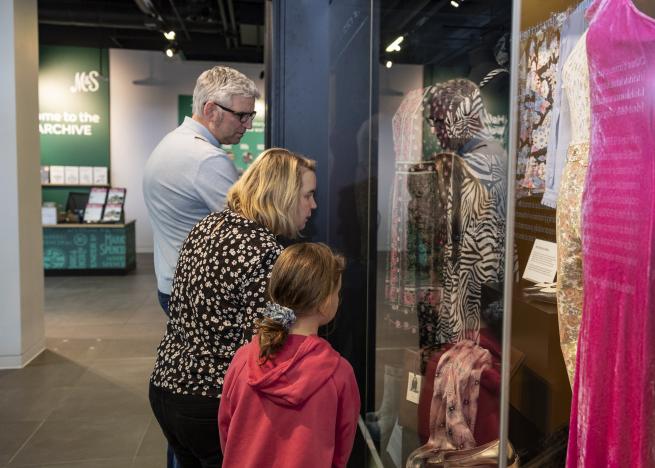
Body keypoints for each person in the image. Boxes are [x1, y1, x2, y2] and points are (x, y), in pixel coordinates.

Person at [149, 148, 317, 468]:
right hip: (210, 401)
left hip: (167, 385)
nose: (313, 205)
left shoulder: (209, 224)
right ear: (282, 194)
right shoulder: (265, 251)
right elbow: (261, 347)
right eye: (308, 195)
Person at [218, 243, 360, 468]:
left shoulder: (242, 360)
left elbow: (227, 433)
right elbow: (341, 452)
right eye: (337, 292)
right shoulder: (339, 375)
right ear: (325, 304)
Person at [143, 65, 259, 318]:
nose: (248, 125)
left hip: (175, 283)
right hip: (199, 291)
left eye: (251, 115)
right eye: (242, 116)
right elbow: (248, 232)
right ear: (210, 110)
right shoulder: (207, 158)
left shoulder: (173, 142)